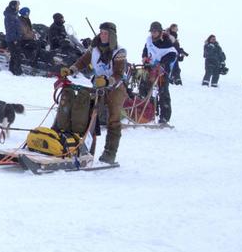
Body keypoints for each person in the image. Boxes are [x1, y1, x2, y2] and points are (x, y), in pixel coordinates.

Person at [60, 21, 126, 164]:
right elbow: (82, 61)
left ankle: (109, 153)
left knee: (113, 121)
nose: (102, 35)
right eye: (101, 32)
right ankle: (88, 150)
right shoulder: (94, 48)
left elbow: (119, 73)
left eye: (106, 33)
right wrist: (71, 70)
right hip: (98, 87)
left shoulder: (119, 52)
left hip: (115, 89)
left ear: (112, 35)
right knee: (91, 118)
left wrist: (108, 81)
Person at [141, 21, 177, 123]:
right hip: (149, 68)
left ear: (160, 32)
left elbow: (172, 55)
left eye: (155, 31)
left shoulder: (166, 42)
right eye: (152, 31)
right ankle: (149, 112)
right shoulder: (149, 41)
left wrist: (162, 63)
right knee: (144, 90)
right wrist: (144, 57)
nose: (153, 33)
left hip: (162, 71)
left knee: (163, 92)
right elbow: (146, 49)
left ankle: (164, 117)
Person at [3, 0, 23, 75]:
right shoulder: (10, 16)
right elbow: (10, 28)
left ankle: (12, 71)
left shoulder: (14, 15)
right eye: (17, 6)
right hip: (12, 39)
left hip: (15, 38)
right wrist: (15, 39)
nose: (18, 7)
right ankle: (17, 72)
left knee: (15, 55)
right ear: (13, 6)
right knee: (16, 56)